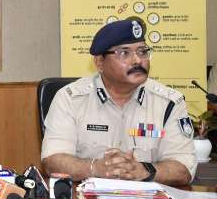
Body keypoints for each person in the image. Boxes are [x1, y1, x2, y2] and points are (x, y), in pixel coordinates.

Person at [42, 18, 196, 186]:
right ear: (100, 62)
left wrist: (144, 170)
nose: (137, 60)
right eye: (124, 53)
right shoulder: (70, 99)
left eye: (142, 52)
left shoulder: (169, 103)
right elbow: (53, 160)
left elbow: (184, 168)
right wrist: (96, 168)